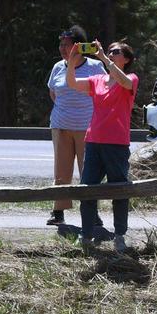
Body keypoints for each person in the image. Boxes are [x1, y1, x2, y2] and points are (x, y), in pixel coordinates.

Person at [65, 39, 139, 252]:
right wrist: (71, 61)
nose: (110, 53)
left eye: (116, 52)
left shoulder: (131, 78)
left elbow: (124, 82)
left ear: (126, 59)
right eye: (109, 51)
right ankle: (86, 234)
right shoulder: (97, 79)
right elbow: (72, 83)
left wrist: (104, 59)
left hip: (116, 144)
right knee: (88, 189)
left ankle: (119, 235)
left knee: (119, 190)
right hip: (94, 142)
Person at [45, 26, 107, 227]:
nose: (63, 49)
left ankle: (91, 213)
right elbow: (53, 93)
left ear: (79, 47)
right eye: (61, 44)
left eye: (67, 45)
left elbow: (104, 91)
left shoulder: (95, 66)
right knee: (61, 171)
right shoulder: (57, 67)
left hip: (88, 128)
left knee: (88, 172)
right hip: (61, 126)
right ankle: (58, 212)